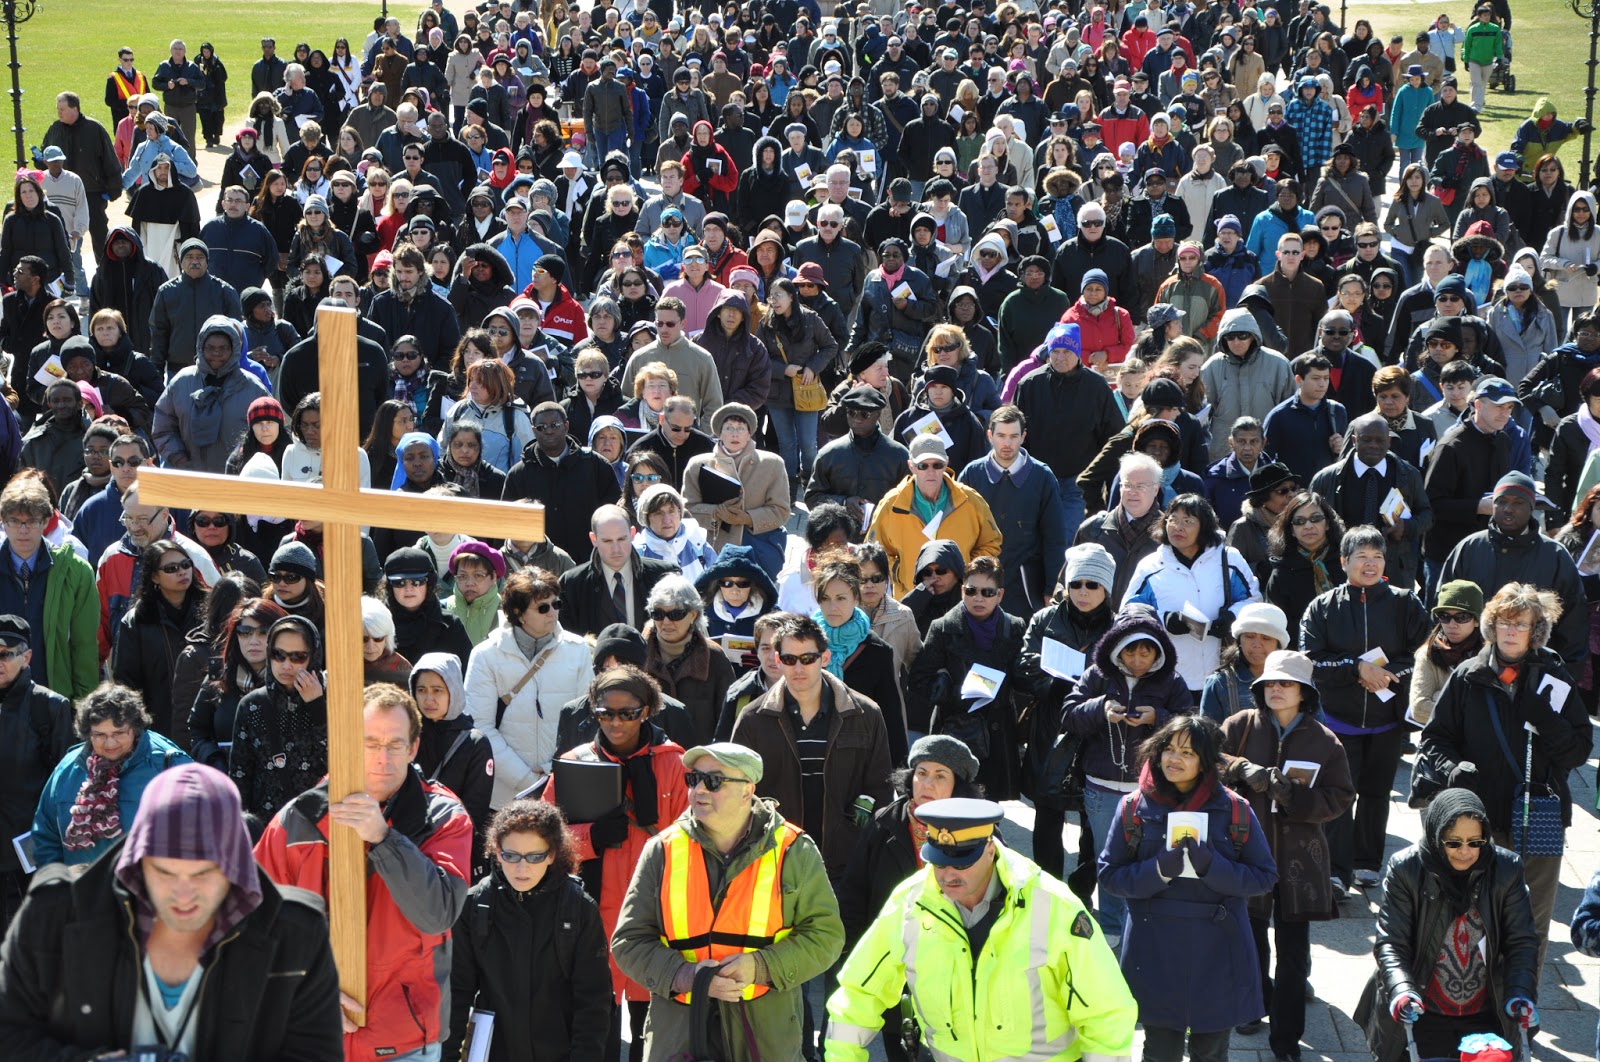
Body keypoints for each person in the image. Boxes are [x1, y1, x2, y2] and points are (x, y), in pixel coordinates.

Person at [0, 761, 343, 1059]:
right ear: (137, 862)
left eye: (203, 873)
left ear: (236, 867)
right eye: (164, 872)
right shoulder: (52, 916)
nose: (183, 894)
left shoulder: (297, 935)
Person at [826, 795, 1137, 1062]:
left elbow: (1106, 1013)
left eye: (962, 862)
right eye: (938, 862)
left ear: (990, 849)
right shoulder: (910, 903)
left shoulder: (1054, 906)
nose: (947, 875)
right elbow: (858, 994)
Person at [255, 682, 473, 1062]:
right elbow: (253, 921)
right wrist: (303, 988)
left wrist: (383, 838)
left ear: (413, 748)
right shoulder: (299, 817)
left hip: (404, 1039)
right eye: (370, 743)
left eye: (394, 745)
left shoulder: (443, 816)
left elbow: (437, 914)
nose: (382, 759)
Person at [611, 741, 844, 1062]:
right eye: (694, 779)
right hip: (679, 1037)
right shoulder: (662, 850)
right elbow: (629, 942)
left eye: (714, 781)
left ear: (748, 790)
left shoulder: (794, 849)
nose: (699, 790)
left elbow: (826, 937)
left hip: (766, 1038)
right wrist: (688, 976)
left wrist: (761, 967)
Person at [1415, 581, 1590, 974]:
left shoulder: (1554, 676)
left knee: (1531, 919)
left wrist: (1545, 718)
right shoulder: (1468, 675)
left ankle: (1521, 996)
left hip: (1540, 814)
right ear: (1491, 626)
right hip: (1480, 816)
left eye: (1521, 624)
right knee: (1475, 915)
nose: (1511, 631)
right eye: (1504, 622)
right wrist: (1454, 769)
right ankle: (1476, 995)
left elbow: (1579, 750)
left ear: (1535, 630)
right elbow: (1435, 739)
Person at [1097, 713, 1278, 1062]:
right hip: (1154, 949)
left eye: (1188, 753)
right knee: (1160, 1051)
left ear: (1206, 761)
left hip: (1217, 948)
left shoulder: (1234, 809)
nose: (1174, 759)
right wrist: (1157, 870)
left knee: (1210, 1052)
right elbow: (1109, 875)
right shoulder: (1134, 806)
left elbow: (1264, 876)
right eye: (1169, 749)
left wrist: (1212, 866)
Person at [540, 665, 688, 1061]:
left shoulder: (674, 763)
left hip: (655, 916)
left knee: (650, 1033)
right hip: (590, 914)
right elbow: (543, 840)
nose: (615, 722)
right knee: (595, 1029)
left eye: (627, 713)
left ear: (646, 711)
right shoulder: (574, 762)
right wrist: (591, 837)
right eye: (605, 713)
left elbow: (692, 842)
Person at [1219, 649, 1356, 1056]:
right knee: (1250, 939)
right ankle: (1252, 1006)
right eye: (1271, 683)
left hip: (1301, 859)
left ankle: (1286, 1037)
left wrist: (1293, 795)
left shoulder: (1325, 741)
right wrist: (1240, 768)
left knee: (1293, 953)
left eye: (1287, 684)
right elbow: (1207, 761)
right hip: (1247, 851)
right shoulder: (1240, 725)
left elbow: (1340, 797)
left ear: (1304, 693)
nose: (1276, 689)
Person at [1352, 789, 1540, 1062]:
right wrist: (1402, 988)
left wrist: (1520, 991)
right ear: (1436, 836)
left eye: (1475, 842)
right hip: (1421, 1012)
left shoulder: (1507, 868)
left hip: (1486, 1016)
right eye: (1453, 842)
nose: (1465, 852)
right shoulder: (1406, 868)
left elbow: (1521, 942)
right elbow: (1391, 942)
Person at [832, 736, 982, 1062]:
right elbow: (854, 896)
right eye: (921, 773)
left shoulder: (979, 833)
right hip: (896, 974)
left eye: (940, 776)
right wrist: (853, 958)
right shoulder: (883, 825)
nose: (927, 783)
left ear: (958, 785)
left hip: (958, 979)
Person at [1299, 525, 1431, 893]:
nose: (1370, 564)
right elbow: (1311, 659)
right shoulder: (1323, 607)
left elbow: (1425, 653)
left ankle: (1367, 862)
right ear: (1344, 562)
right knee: (1339, 793)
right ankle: (1336, 871)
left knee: (1376, 793)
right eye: (1362, 557)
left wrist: (1386, 675)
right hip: (1337, 720)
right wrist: (1356, 668)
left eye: (1377, 557)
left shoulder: (1405, 602)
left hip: (1387, 721)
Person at [443, 798, 612, 1062]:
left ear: (552, 855)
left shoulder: (578, 908)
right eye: (511, 856)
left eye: (535, 857)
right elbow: (456, 994)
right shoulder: (474, 905)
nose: (522, 868)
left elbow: (593, 1002)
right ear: (497, 851)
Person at [731, 611, 894, 880]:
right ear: (778, 660)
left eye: (807, 658)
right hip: (776, 859)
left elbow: (881, 787)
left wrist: (865, 845)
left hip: (846, 862)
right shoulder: (752, 718)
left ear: (825, 658)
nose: (798, 668)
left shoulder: (865, 714)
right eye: (789, 659)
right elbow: (737, 791)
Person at [467, 565, 593, 810]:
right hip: (503, 796)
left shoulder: (577, 650)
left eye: (556, 604)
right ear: (519, 613)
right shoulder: (485, 655)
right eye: (543, 608)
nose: (553, 613)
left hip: (563, 787)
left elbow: (585, 721)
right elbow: (480, 727)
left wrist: (552, 772)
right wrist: (527, 780)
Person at [1439, 471, 1589, 675]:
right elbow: (1442, 609)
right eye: (1501, 501)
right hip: (1472, 669)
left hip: (1536, 672)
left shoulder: (1555, 556)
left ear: (1532, 507)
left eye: (1518, 502)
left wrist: (1564, 674)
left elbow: (1574, 624)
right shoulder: (1469, 548)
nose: (1508, 508)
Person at [32, 682, 190, 868]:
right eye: (99, 735)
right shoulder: (69, 768)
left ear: (135, 729)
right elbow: (45, 835)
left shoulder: (168, 764)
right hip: (84, 884)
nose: (110, 743)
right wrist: (57, 878)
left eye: (119, 733)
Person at [1124, 495, 1262, 694]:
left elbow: (1253, 600)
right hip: (1168, 679)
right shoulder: (1150, 566)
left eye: (1187, 521)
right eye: (1172, 520)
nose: (1178, 527)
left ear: (1204, 526)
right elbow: (1128, 613)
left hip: (1223, 676)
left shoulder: (1229, 558)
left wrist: (1232, 617)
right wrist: (1163, 619)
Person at [0, 614, 71, 928]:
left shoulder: (50, 707)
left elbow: (65, 787)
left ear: (26, 657)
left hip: (31, 851)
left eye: (5, 654)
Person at [865, 435, 1002, 598]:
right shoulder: (890, 504)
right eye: (923, 465)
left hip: (960, 598)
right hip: (910, 599)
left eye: (937, 465)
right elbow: (873, 552)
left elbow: (991, 542)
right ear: (911, 466)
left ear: (946, 464)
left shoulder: (970, 500)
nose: (931, 472)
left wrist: (967, 571)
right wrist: (900, 572)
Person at [0, 477, 97, 702]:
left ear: (46, 521)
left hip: (54, 701)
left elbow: (84, 647)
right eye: (15, 521)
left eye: (32, 521)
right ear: (3, 522)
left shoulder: (77, 571)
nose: (23, 530)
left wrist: (82, 707)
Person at [1310, 415, 1432, 592]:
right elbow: (1310, 517)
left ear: (1389, 441)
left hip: (1394, 571)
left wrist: (1406, 527)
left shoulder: (1408, 475)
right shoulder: (1326, 479)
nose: (1373, 445)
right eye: (1366, 440)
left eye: (1380, 440)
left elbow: (1427, 514)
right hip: (1340, 569)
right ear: (1354, 441)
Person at [228, 614, 327, 821]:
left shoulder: (333, 701)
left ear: (313, 657)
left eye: (298, 656)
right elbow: (240, 775)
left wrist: (317, 707)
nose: (286, 665)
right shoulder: (252, 705)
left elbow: (341, 763)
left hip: (321, 823)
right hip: (267, 826)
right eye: (278, 655)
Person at [110, 539, 206, 738]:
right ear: (154, 576)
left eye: (186, 564)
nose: (182, 572)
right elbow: (126, 684)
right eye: (171, 568)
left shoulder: (210, 610)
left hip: (206, 728)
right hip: (158, 730)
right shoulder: (136, 621)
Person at [681, 403, 791, 575]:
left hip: (757, 549)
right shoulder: (698, 464)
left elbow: (781, 511)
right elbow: (687, 510)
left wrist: (747, 518)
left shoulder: (772, 463)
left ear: (749, 433)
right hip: (713, 548)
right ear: (719, 433)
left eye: (741, 428)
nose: (735, 434)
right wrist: (716, 512)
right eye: (729, 428)